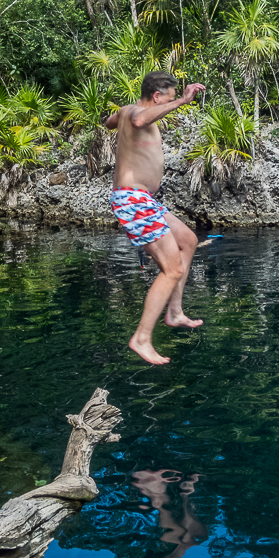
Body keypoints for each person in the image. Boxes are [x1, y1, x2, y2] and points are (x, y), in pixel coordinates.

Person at [104, 70, 206, 365]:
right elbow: (138, 119)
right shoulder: (138, 113)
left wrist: (120, 120)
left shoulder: (125, 110)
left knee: (188, 240)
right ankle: (142, 338)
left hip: (143, 200)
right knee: (171, 269)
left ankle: (174, 312)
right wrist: (183, 102)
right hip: (133, 200)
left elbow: (112, 122)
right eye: (169, 99)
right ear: (157, 97)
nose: (172, 105)